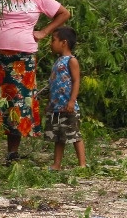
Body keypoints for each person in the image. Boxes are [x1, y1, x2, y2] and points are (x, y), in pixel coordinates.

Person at [0, 0, 71, 162]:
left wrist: (44, 32)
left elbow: (64, 13)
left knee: (17, 102)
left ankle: (12, 153)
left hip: (23, 58)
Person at [46, 26, 86, 170]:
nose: (51, 44)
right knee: (58, 137)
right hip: (56, 107)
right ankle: (57, 164)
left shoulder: (71, 61)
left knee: (74, 134)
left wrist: (71, 101)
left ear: (64, 42)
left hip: (68, 107)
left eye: (53, 40)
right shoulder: (57, 61)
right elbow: (53, 83)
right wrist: (50, 103)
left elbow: (76, 81)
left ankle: (82, 164)